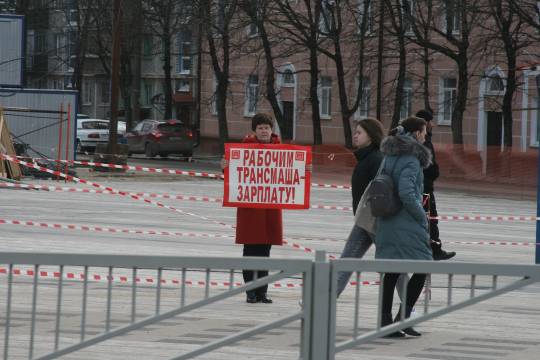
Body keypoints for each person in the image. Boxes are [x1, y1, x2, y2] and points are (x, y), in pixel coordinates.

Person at [375, 116, 433, 337]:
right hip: (406, 222)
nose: (425, 136)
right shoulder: (411, 159)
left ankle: (385, 322)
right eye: (424, 132)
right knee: (423, 267)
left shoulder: (390, 154)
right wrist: (422, 217)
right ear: (416, 134)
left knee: (391, 272)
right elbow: (407, 193)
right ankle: (401, 319)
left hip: (387, 219)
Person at [222, 113, 283, 304]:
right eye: (260, 128)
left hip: (270, 209)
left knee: (265, 252)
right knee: (250, 251)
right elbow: (232, 175)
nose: (264, 131)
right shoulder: (242, 149)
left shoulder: (281, 149)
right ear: (254, 131)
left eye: (267, 127)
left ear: (271, 130)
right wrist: (225, 167)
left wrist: (304, 170)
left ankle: (262, 291)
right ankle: (250, 291)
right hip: (250, 210)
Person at [336, 118, 384, 296]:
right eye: (355, 132)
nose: (355, 136)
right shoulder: (366, 157)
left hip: (374, 220)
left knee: (391, 264)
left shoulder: (377, 158)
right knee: (346, 261)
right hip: (365, 219)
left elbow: (380, 190)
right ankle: (323, 299)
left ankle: (409, 306)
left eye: (359, 133)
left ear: (370, 136)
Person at [415, 109, 456, 261]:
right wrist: (434, 173)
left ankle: (430, 248)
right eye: (430, 121)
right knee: (430, 219)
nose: (432, 124)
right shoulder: (424, 142)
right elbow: (429, 166)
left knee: (428, 219)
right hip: (425, 188)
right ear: (424, 123)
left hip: (423, 187)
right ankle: (434, 250)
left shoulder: (423, 140)